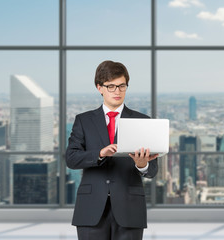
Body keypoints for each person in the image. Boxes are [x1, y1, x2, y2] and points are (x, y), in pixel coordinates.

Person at [66, 60, 158, 240]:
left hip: (129, 208)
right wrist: (100, 154)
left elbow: (153, 170)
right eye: (111, 86)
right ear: (99, 88)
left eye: (122, 86)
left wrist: (142, 165)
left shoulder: (143, 121)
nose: (117, 91)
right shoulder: (83, 120)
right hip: (91, 208)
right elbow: (71, 158)